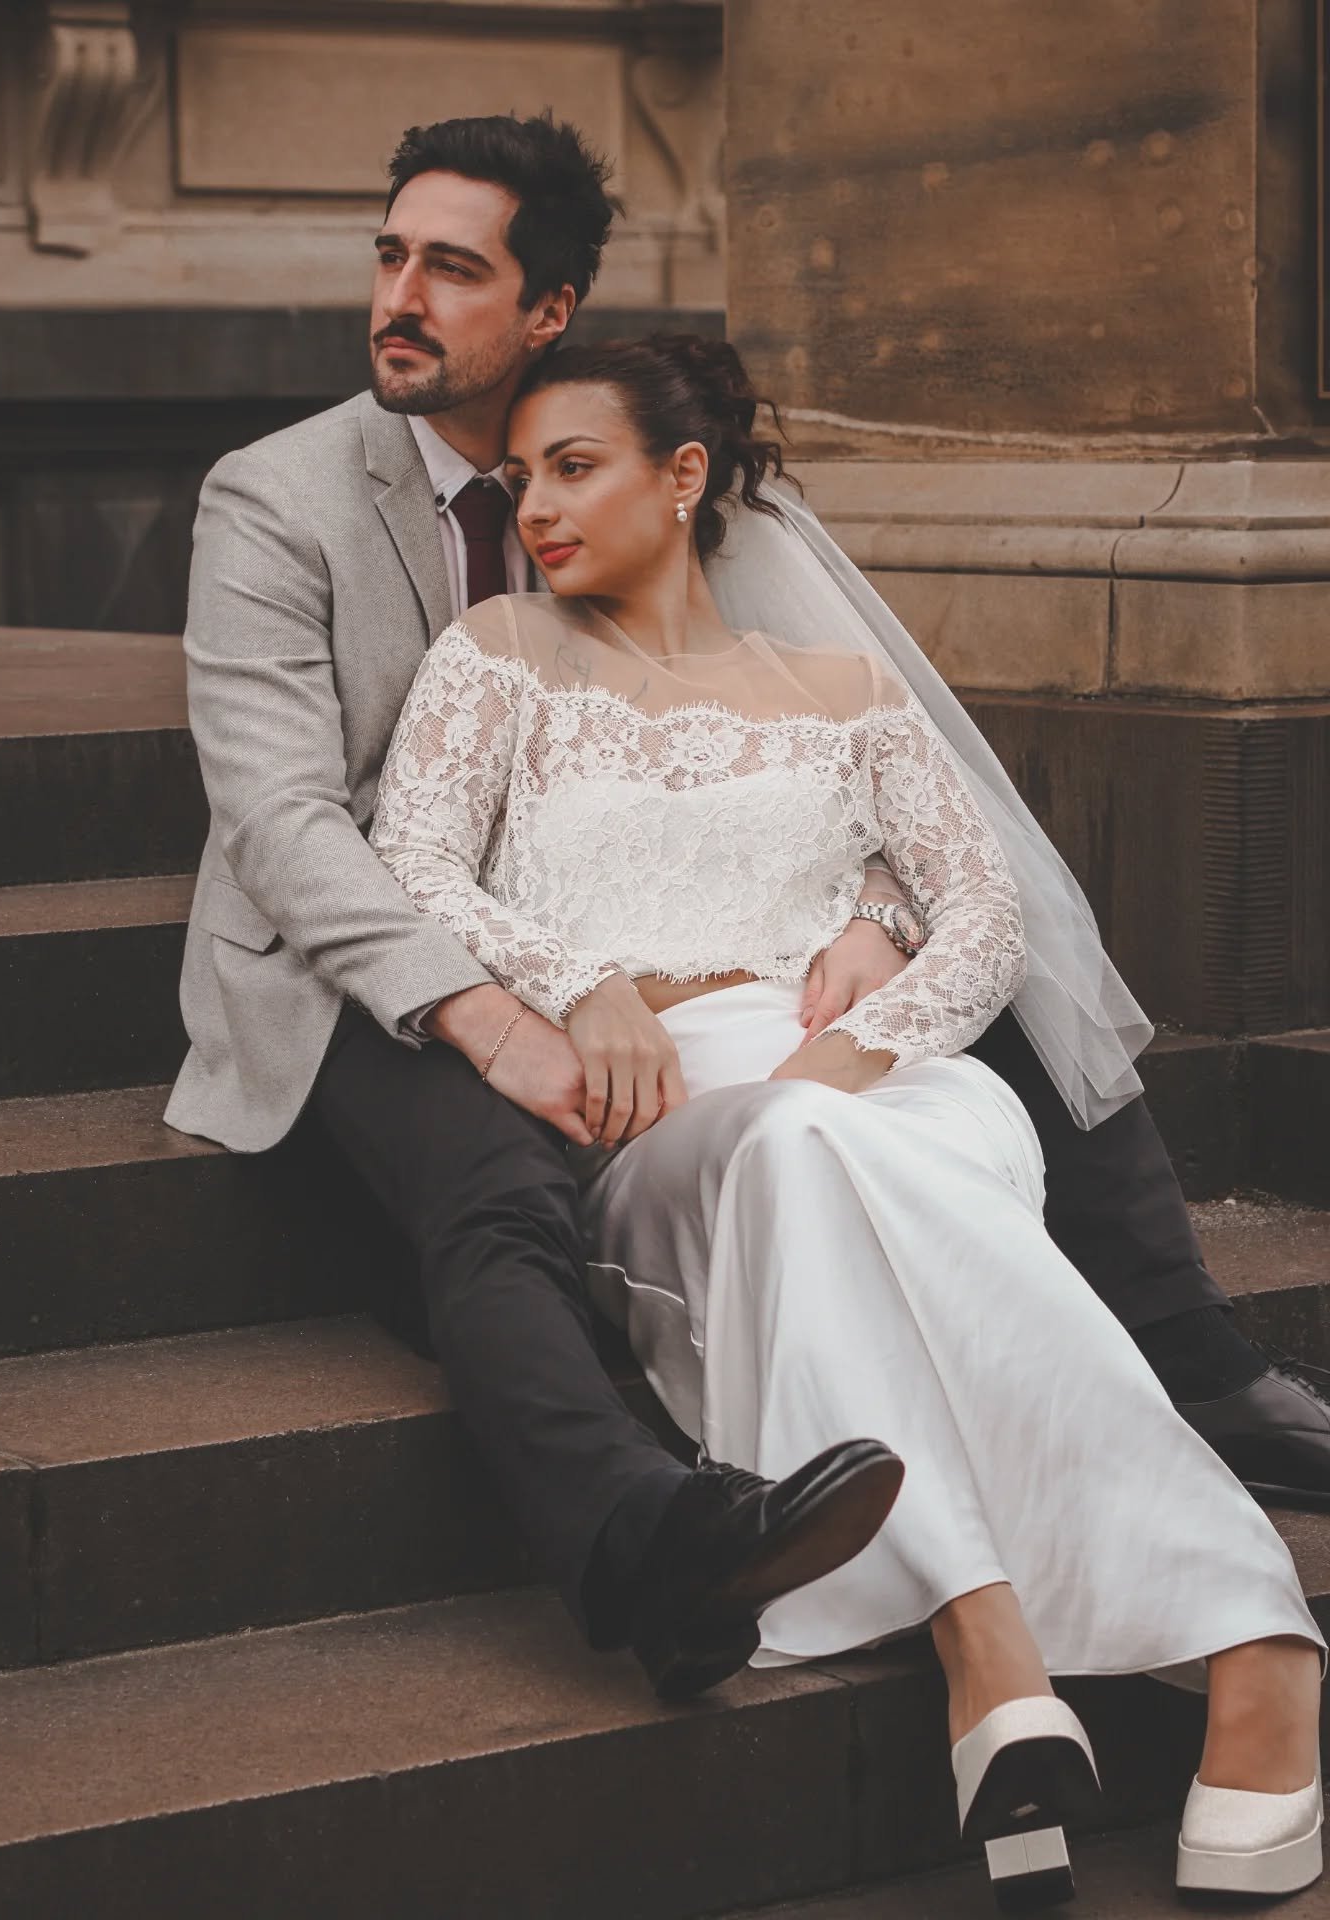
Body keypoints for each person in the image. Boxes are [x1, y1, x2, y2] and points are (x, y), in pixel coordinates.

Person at [163, 107, 1324, 1685]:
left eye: (450, 268)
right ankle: (657, 1542)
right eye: (390, 257)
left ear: (548, 308)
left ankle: (1192, 1367)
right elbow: (287, 824)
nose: (399, 298)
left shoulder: (672, 469)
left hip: (686, 968)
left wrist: (875, 913)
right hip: (363, 956)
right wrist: (494, 1007)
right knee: (505, 1194)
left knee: (980, 993)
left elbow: (787, 754)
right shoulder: (276, 497)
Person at [367, 333, 1325, 1907]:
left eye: (574, 465)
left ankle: (987, 1647)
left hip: (884, 1086)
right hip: (660, 1108)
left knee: (821, 1150)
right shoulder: (494, 657)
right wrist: (587, 981)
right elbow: (416, 871)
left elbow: (986, 915)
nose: (533, 502)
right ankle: (1253, 1633)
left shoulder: (847, 689)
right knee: (789, 1160)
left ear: (684, 479)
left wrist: (864, 1041)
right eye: (522, 472)